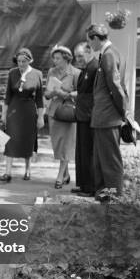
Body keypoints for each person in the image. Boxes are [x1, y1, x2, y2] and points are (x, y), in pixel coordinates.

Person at [86, 23, 127, 202]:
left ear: (95, 38)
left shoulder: (109, 55)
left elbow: (116, 87)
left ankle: (114, 198)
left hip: (108, 117)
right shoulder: (112, 53)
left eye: (89, 41)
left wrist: (124, 112)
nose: (89, 46)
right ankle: (103, 195)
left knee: (109, 160)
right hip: (105, 117)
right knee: (101, 159)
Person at [0, 48, 44, 182]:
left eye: (23, 61)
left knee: (28, 140)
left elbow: (40, 99)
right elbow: (7, 96)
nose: (20, 64)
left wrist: (41, 116)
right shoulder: (12, 73)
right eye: (18, 61)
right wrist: (4, 114)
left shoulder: (37, 74)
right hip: (14, 109)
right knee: (10, 140)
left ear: (30, 60)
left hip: (29, 110)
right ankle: (7, 172)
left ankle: (28, 170)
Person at [44, 45, 80, 188]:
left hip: (69, 113)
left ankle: (59, 177)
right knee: (58, 145)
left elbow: (81, 93)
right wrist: (54, 92)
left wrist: (66, 94)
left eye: (58, 58)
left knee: (66, 145)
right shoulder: (51, 71)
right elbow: (46, 94)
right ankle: (66, 174)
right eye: (54, 58)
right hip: (54, 113)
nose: (55, 61)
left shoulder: (76, 73)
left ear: (66, 58)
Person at [71, 41, 98, 197]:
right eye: (76, 57)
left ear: (89, 52)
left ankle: (90, 187)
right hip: (82, 115)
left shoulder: (94, 68)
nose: (78, 59)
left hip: (89, 117)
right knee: (81, 152)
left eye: (80, 55)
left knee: (88, 152)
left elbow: (94, 94)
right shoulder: (87, 69)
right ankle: (82, 184)